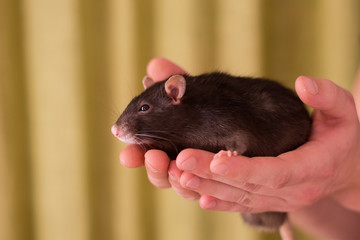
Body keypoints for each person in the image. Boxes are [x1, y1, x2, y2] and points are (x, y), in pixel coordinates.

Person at [119, 57, 360, 240]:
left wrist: (348, 176)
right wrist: (321, 182)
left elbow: (238, 128)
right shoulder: (191, 117)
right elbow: (350, 230)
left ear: (175, 93)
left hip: (277, 128)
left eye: (143, 110)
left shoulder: (215, 117)